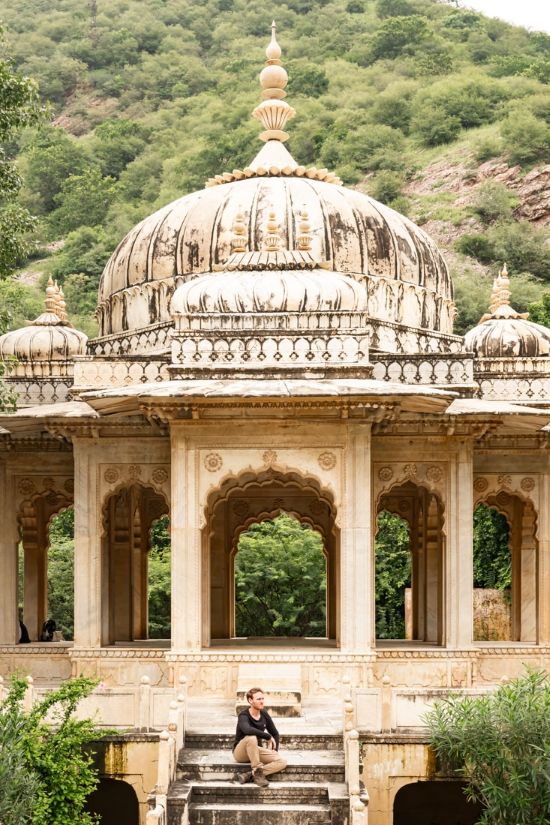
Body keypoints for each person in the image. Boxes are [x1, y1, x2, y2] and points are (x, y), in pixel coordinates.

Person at [232, 686, 287, 787]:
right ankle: (257, 769)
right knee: (251, 737)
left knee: (282, 761)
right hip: (240, 752)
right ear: (250, 700)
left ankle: (251, 774)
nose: (262, 701)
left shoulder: (264, 714)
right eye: (258, 699)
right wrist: (267, 736)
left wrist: (275, 749)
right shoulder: (243, 716)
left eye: (262, 698)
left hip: (255, 751)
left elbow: (275, 733)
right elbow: (247, 730)